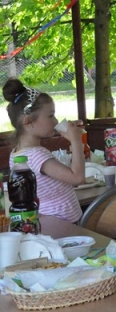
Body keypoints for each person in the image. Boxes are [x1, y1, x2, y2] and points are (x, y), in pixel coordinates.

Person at [3, 79, 84, 223]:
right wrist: (76, 140)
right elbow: (77, 178)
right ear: (28, 121)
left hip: (50, 222)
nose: (55, 121)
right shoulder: (37, 155)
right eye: (50, 115)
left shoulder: (17, 154)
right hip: (62, 225)